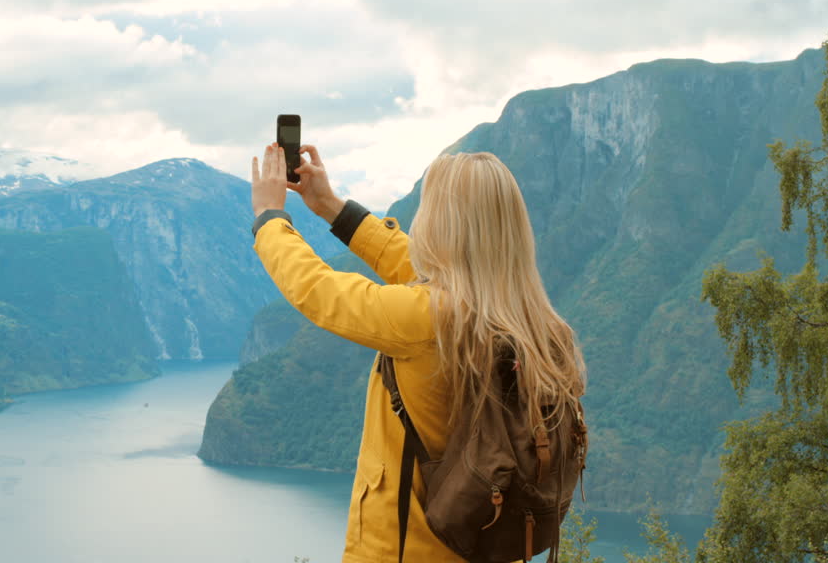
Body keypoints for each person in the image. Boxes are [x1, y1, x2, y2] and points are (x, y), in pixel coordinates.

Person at [250, 142, 587, 563]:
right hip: (490, 549)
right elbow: (415, 267)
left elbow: (317, 291)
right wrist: (331, 206)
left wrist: (269, 218)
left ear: (440, 225)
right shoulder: (538, 324)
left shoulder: (428, 319)